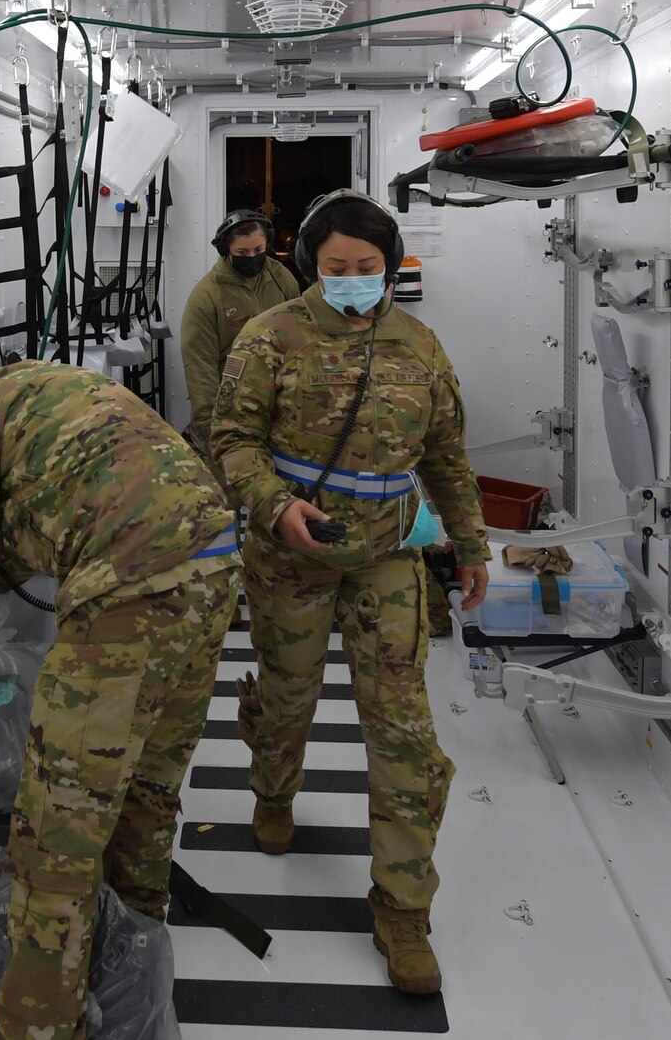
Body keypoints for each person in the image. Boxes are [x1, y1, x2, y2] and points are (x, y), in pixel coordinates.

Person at [0, 335, 237, 1040]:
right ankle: (131, 971)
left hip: (130, 587)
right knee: (145, 790)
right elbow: (35, 521)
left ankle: (36, 1024)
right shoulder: (41, 386)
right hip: (214, 562)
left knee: (55, 837)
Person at [209, 189, 491, 996]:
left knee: (402, 731)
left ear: (391, 266)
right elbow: (231, 442)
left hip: (386, 560)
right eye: (336, 269)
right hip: (289, 555)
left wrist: (469, 544)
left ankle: (403, 909)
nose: (354, 280)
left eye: (369, 269)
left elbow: (446, 454)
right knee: (289, 697)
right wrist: (274, 506)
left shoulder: (419, 345)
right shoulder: (269, 339)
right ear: (309, 267)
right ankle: (273, 790)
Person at [179, 209, 301, 458]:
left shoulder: (283, 279)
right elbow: (199, 367)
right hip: (233, 409)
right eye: (242, 253)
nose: (253, 258)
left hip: (278, 407)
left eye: (259, 250)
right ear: (226, 250)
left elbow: (300, 340)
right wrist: (209, 428)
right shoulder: (206, 297)